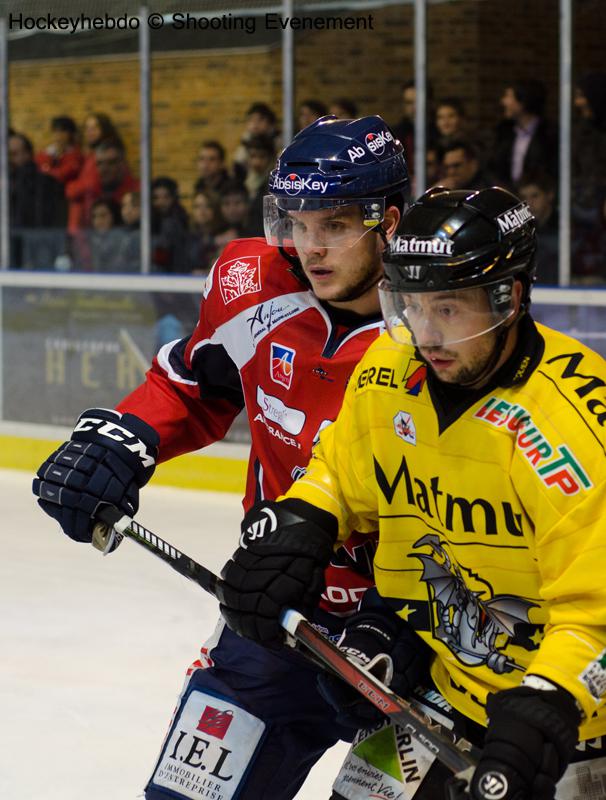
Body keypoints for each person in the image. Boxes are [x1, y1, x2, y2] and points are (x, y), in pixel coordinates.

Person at [32, 114, 414, 800]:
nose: (310, 246)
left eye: (332, 225)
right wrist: (121, 441)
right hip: (268, 614)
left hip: (406, 642)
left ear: (388, 222)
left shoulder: (439, 327)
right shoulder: (252, 281)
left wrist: (405, 619)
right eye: (295, 222)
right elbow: (192, 386)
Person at [218, 186, 606, 800]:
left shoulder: (573, 429)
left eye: (448, 309)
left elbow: (597, 616)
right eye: (410, 306)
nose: (424, 334)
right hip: (438, 699)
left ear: (510, 297)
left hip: (569, 728)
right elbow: (341, 475)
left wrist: (550, 700)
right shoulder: (390, 364)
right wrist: (301, 524)